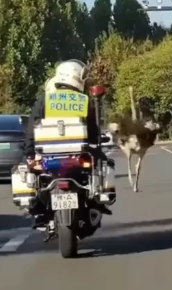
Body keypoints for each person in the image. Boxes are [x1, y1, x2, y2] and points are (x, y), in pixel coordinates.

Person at [24, 59, 110, 227]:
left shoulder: (44, 101)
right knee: (103, 164)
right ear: (78, 78)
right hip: (78, 156)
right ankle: (97, 202)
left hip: (47, 157)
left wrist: (28, 154)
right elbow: (93, 133)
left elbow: (31, 131)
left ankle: (39, 210)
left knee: (29, 172)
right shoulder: (84, 101)